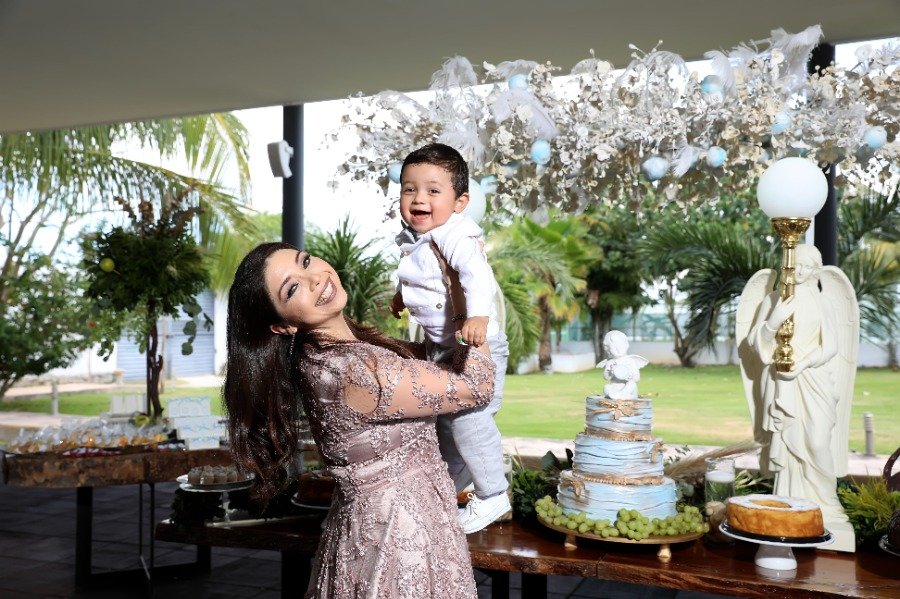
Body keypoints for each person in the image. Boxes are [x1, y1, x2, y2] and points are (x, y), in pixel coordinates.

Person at [223, 242, 496, 598]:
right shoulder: (354, 371)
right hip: (399, 541)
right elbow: (476, 384)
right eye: (292, 288)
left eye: (306, 261)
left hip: (384, 527)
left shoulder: (326, 356)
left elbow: (432, 365)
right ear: (283, 326)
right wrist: (464, 295)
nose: (315, 278)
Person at [389, 143, 511, 533]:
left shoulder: (455, 234)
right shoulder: (417, 237)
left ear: (460, 203)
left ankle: (493, 494)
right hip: (442, 347)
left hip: (476, 346)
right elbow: (422, 278)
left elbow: (476, 275)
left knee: (469, 419)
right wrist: (401, 297)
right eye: (409, 189)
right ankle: (445, 491)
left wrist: (478, 316)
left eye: (432, 190)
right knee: (445, 424)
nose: (418, 198)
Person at [737, 243, 857, 551]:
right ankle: (789, 502)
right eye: (795, 266)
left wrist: (802, 364)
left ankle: (826, 503)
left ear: (816, 271)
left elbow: (831, 346)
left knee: (817, 442)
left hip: (813, 379)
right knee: (788, 442)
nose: (800, 272)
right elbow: (755, 345)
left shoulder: (822, 302)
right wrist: (773, 321)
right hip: (781, 381)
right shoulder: (772, 300)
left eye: (807, 267)